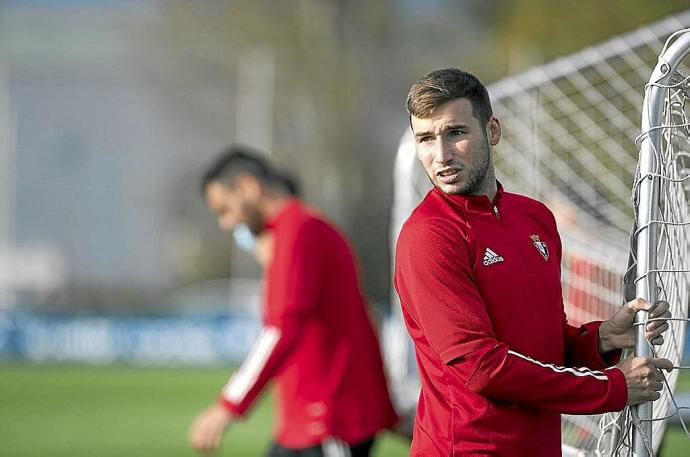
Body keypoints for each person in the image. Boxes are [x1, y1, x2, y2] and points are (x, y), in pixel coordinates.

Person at [394, 68, 672, 456]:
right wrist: (611, 387)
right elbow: (481, 367)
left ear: (492, 131)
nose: (440, 156)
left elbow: (543, 343)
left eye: (455, 133)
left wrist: (602, 338)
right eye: (426, 138)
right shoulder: (428, 236)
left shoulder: (535, 218)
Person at [188, 146, 398, 456]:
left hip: (328, 422)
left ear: (248, 186)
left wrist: (228, 404)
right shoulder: (299, 230)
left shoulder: (299, 230)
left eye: (224, 209)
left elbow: (284, 326)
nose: (226, 223)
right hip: (306, 426)